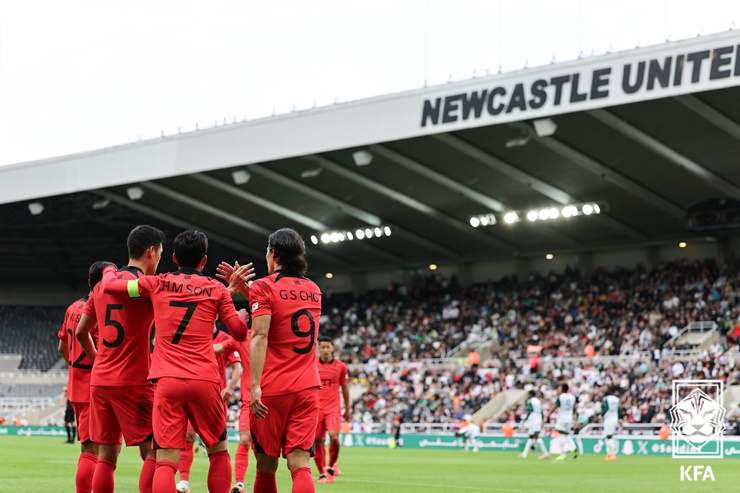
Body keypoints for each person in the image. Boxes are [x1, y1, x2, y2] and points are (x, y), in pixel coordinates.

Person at [102, 229, 252, 493]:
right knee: (218, 451)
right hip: (205, 380)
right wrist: (240, 313)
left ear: (173, 257)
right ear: (204, 260)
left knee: (165, 461)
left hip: (167, 381)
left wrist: (108, 270)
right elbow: (239, 333)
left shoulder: (157, 283)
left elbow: (113, 287)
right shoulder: (217, 289)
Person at [76, 225, 165, 493]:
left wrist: (99, 360)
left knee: (106, 457)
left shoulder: (101, 287)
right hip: (133, 382)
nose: (159, 260)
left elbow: (81, 332)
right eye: (160, 254)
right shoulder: (147, 287)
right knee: (155, 453)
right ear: (151, 251)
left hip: (100, 380)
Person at [249, 228, 322, 493]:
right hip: (307, 387)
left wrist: (254, 386)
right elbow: (286, 310)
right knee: (300, 463)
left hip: (273, 387)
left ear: (274, 254)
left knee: (266, 465)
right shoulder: (314, 289)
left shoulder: (263, 286)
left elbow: (260, 335)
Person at [57, 261, 113, 493]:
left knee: (88, 448)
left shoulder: (72, 308)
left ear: (90, 282)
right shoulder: (100, 310)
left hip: (75, 387)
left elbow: (62, 347)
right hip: (94, 387)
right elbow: (101, 350)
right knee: (95, 451)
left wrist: (75, 367)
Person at [178, 324, 242, 493]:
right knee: (188, 435)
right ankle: (183, 481)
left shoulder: (225, 339)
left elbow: (237, 367)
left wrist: (230, 387)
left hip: (217, 397)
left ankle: (217, 486)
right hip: (194, 393)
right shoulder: (192, 334)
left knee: (217, 445)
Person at [313, 337, 350, 483]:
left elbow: (345, 388)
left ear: (332, 348)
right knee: (318, 440)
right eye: (322, 347)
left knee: (334, 437)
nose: (325, 350)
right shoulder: (313, 364)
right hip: (316, 408)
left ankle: (330, 466)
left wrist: (348, 408)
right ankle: (322, 473)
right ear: (319, 349)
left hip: (333, 408)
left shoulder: (341, 366)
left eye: (328, 347)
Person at [545, 383, 578, 461]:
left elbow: (555, 407)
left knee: (560, 433)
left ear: (562, 389)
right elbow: (574, 408)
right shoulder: (572, 397)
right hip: (569, 418)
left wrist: (548, 415)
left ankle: (563, 454)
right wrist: (573, 415)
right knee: (566, 434)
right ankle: (573, 447)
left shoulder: (561, 397)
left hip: (562, 418)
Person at [519, 389, 549, 459]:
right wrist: (542, 419)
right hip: (538, 419)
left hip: (534, 420)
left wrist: (525, 420)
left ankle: (545, 453)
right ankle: (524, 454)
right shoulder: (538, 401)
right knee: (531, 436)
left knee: (536, 436)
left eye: (528, 394)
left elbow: (530, 411)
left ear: (531, 394)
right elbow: (541, 411)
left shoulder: (531, 401)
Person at [601, 388, 620, 461]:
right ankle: (609, 454)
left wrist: (601, 415)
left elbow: (605, 408)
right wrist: (620, 418)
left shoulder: (607, 399)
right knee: (610, 436)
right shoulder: (616, 399)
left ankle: (612, 454)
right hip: (615, 418)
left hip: (609, 419)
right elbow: (619, 409)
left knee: (608, 437)